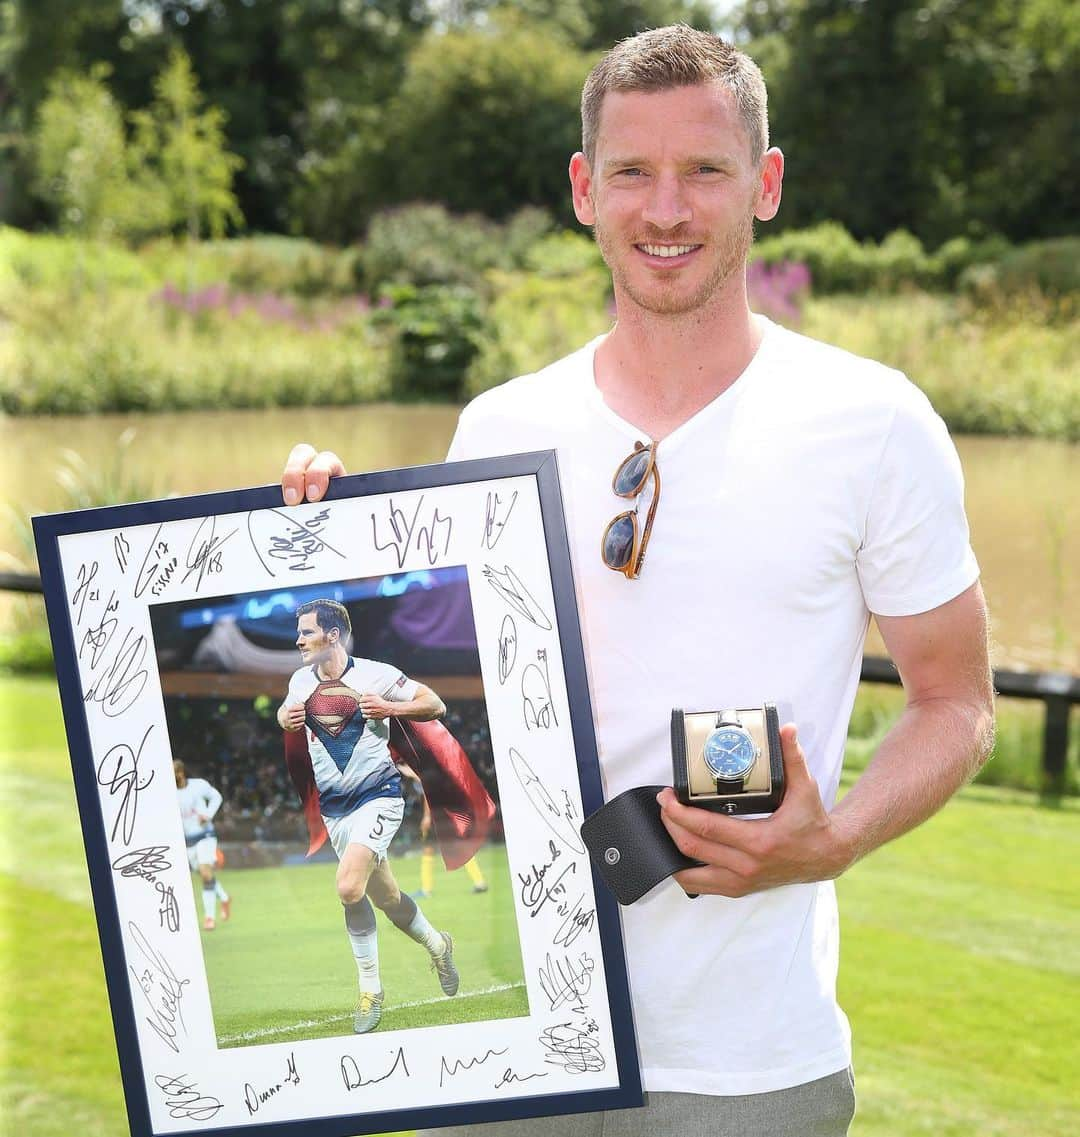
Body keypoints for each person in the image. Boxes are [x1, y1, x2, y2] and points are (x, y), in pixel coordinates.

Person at [279, 24, 993, 1137]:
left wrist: (836, 837)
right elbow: (428, 673)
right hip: (517, 1055)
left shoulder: (876, 422)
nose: (667, 210)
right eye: (632, 173)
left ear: (764, 185)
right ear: (583, 189)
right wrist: (306, 534)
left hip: (751, 1066)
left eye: (704, 170)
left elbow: (959, 704)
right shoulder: (498, 428)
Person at [277, 597, 460, 1034]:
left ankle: (371, 991)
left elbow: (435, 704)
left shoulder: (375, 673)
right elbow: (287, 713)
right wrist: (285, 717)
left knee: (347, 887)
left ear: (332, 635)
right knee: (388, 899)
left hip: (378, 797)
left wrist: (391, 709)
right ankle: (439, 945)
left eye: (307, 631)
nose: (299, 639)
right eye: (300, 632)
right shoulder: (300, 680)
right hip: (336, 809)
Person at [398, 762, 489, 897]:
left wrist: (427, 817)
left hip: (438, 817)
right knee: (455, 848)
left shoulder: (427, 774)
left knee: (430, 850)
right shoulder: (434, 771)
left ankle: (426, 889)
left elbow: (430, 795)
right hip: (447, 815)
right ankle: (479, 882)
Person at [174, 760, 231, 931]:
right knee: (202, 873)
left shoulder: (198, 786)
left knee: (206, 873)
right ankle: (224, 897)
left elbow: (217, 797)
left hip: (205, 835)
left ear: (181, 773)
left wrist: (208, 814)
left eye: (174, 773)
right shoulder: (169, 794)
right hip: (188, 839)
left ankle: (209, 918)